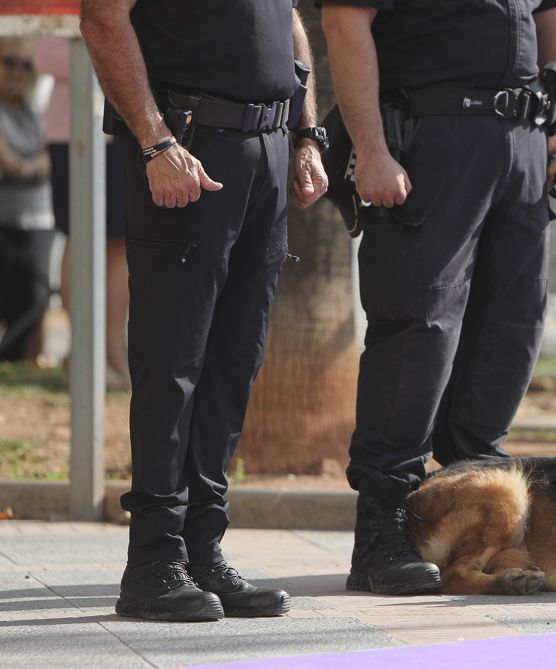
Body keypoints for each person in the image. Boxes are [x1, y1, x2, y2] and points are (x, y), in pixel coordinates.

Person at [321, 0, 556, 595]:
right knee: (418, 329)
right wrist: (370, 149)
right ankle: (383, 531)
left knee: (513, 326)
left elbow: (553, 17)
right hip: (428, 139)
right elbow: (345, 22)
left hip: (522, 143)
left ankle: (477, 509)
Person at [80, 0, 329, 621]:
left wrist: (305, 134)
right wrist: (155, 141)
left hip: (269, 146)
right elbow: (103, 18)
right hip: (186, 143)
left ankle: (202, 547)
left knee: (232, 362)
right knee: (174, 361)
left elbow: (290, 24)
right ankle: (153, 561)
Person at [33, 37, 131, 389]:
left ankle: (113, 351)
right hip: (74, 128)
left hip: (129, 126)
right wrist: (119, 46)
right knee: (82, 234)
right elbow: (46, 56)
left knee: (122, 240)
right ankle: (82, 353)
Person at [0, 38, 55, 363]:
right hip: (4, 220)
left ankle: (21, 362)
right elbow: (11, 164)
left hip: (36, 219)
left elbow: (37, 162)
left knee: (35, 299)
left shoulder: (34, 110)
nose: (18, 71)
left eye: (26, 64)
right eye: (9, 62)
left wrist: (27, 166)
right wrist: (36, 164)